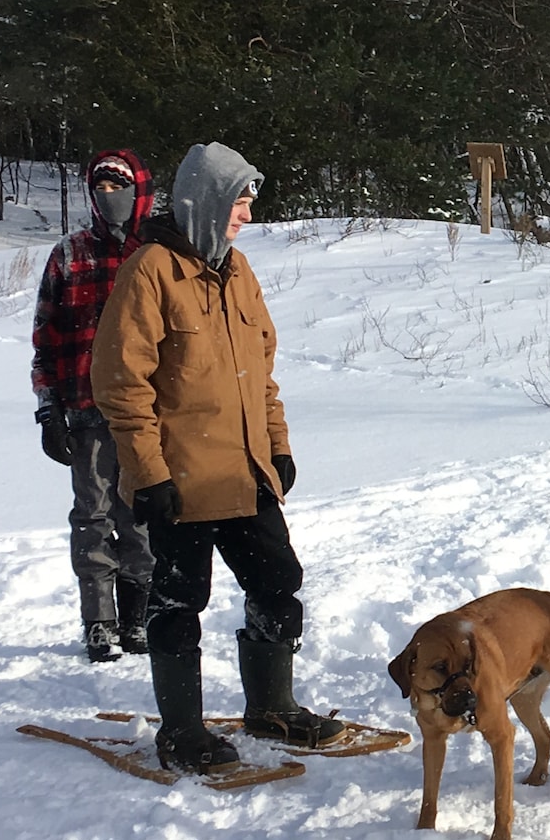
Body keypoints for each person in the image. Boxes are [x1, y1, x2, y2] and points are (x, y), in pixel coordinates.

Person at [90, 141, 348, 773]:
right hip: (179, 481)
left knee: (278, 585)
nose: (248, 216)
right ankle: (181, 732)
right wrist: (148, 473)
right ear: (204, 201)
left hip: (245, 473)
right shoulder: (151, 271)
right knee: (179, 603)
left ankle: (272, 707)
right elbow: (121, 384)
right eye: (239, 202)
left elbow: (261, 376)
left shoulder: (239, 271)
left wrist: (277, 447)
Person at [31, 149, 156, 662]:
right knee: (93, 518)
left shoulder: (156, 252)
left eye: (118, 188)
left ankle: (139, 615)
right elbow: (46, 339)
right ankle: (100, 621)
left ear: (139, 191)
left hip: (147, 412)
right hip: (85, 413)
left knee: (143, 514)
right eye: (100, 189)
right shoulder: (70, 254)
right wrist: (49, 410)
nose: (109, 198)